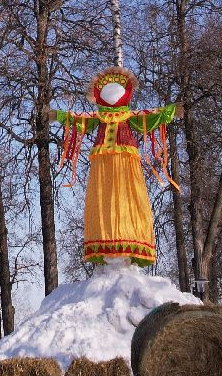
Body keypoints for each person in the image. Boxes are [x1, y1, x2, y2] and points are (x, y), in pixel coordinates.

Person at [51, 66, 178, 266]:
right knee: (102, 199)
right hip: (102, 164)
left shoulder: (129, 116)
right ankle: (106, 243)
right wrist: (58, 115)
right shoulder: (98, 117)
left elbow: (152, 115)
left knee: (127, 198)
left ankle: (127, 240)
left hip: (126, 162)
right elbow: (78, 119)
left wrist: (170, 112)